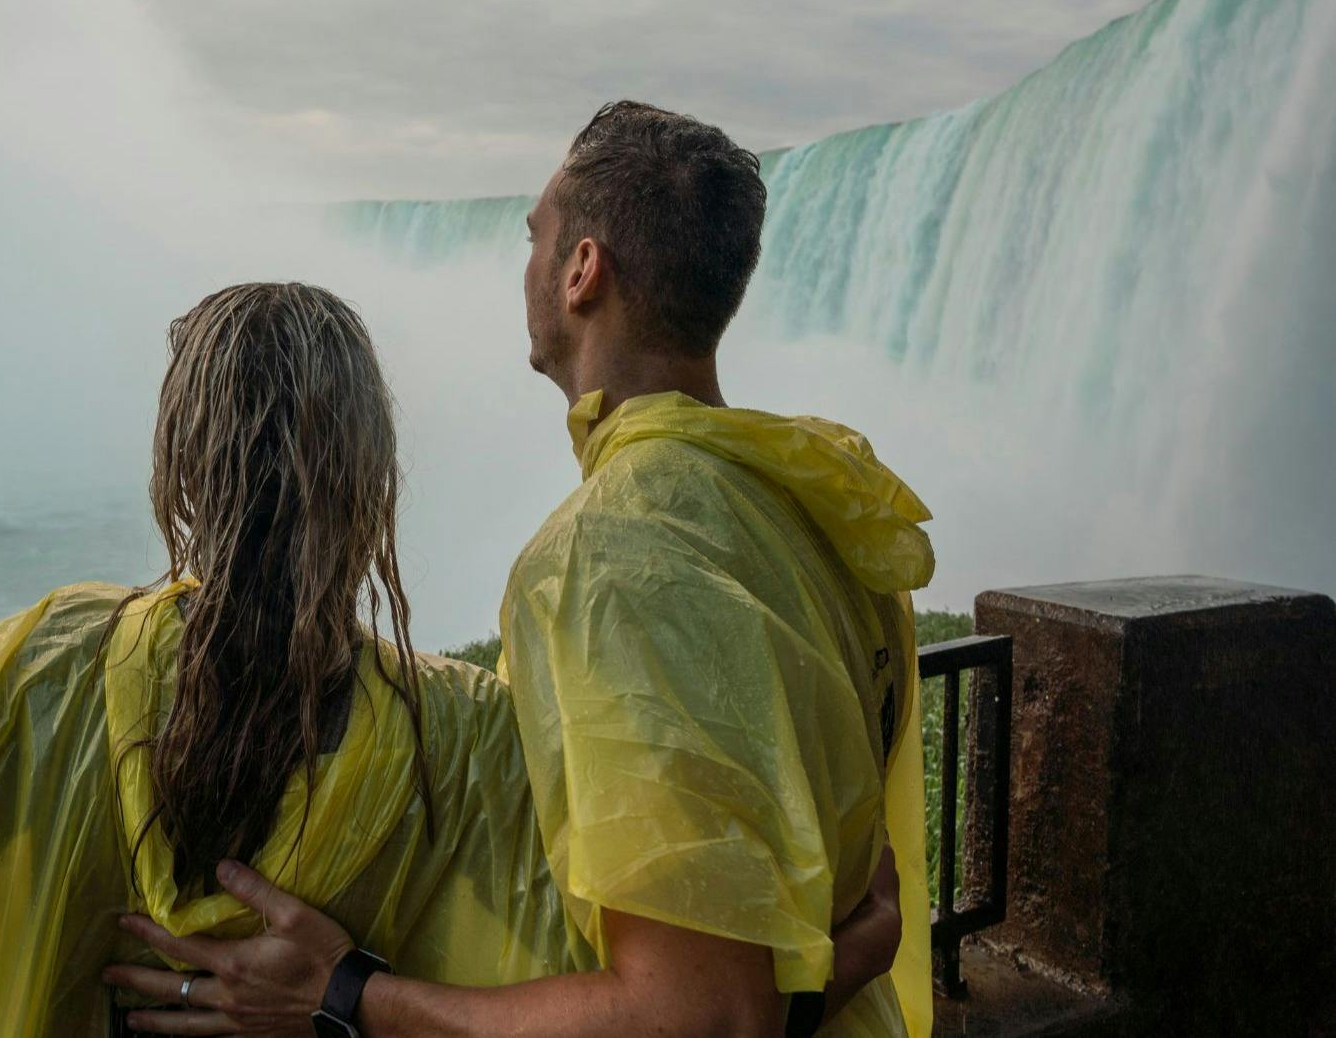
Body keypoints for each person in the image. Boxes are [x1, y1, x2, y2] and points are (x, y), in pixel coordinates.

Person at [0, 281, 902, 1037]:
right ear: (371, 481)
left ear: (181, 468)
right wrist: (848, 953)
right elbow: (650, 1001)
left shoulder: (37, 674)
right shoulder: (464, 737)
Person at [111, 103, 936, 1038]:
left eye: (534, 237)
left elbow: (700, 1015)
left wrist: (343, 994)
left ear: (582, 270)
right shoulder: (819, 504)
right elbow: (809, 901)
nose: (526, 264)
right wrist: (854, 951)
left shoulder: (609, 558)